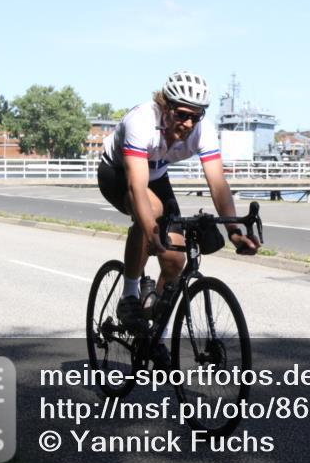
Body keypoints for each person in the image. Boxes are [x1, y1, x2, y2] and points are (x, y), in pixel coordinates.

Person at [98, 71, 259, 365]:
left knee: (175, 259)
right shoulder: (141, 122)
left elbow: (218, 183)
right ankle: (130, 296)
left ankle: (155, 334)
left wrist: (234, 230)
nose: (188, 123)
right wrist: (150, 231)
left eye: (196, 116)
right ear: (165, 105)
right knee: (151, 213)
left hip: (156, 176)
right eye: (182, 114)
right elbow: (137, 185)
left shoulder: (202, 130)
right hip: (119, 174)